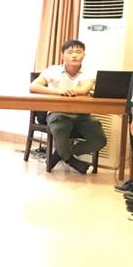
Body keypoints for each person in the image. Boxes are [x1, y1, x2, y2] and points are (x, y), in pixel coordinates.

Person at [29, 39, 107, 174]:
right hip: (58, 113)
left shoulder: (89, 71)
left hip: (83, 114)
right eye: (70, 52)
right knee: (59, 127)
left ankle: (58, 155)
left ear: (84, 55)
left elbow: (84, 89)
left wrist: (70, 91)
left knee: (99, 140)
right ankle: (70, 160)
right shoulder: (53, 70)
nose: (74, 55)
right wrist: (58, 91)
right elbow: (33, 86)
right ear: (62, 55)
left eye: (78, 52)